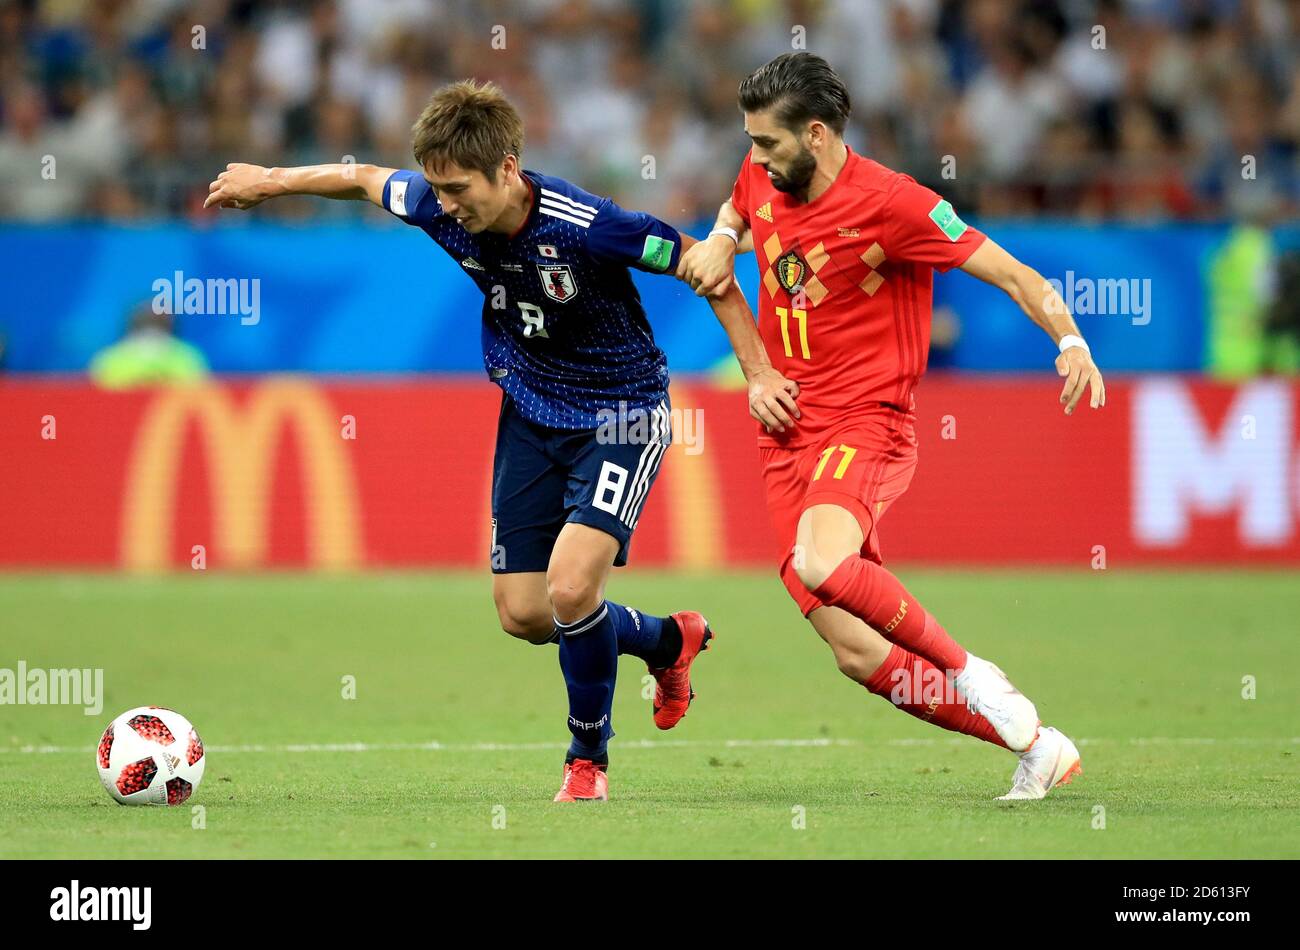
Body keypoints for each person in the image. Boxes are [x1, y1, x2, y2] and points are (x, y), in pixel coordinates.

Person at [205, 80, 799, 803]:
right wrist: (270, 182)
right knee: (526, 613)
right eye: (438, 189)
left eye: (458, 189)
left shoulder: (590, 226)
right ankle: (668, 640)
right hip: (531, 410)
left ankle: (587, 761)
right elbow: (362, 178)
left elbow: (708, 273)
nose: (446, 205)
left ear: (508, 169)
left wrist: (760, 373)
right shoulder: (436, 201)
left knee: (572, 586)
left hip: (621, 414)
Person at [678, 53, 1105, 800]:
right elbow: (736, 212)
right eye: (748, 142)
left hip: (867, 423)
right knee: (854, 651)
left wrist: (1069, 342)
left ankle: (974, 673)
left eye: (767, 143)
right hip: (786, 434)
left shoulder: (895, 204)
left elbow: (1013, 274)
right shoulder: (763, 176)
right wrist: (721, 241)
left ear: (815, 135)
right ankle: (1037, 746)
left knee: (820, 562)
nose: (755, 158)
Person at [89, 306, 209, 390]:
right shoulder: (110, 359)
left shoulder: (187, 356)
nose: (151, 335)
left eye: (157, 324)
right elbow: (97, 397)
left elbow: (197, 394)